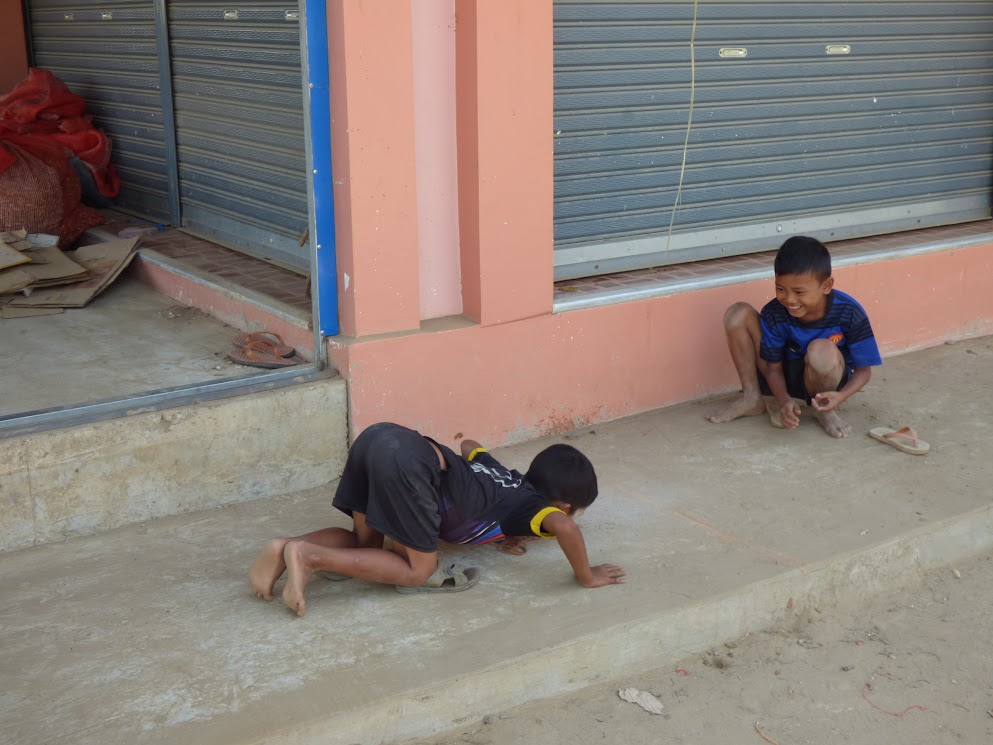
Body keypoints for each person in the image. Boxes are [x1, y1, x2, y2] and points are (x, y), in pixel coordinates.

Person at [249, 422, 626, 616]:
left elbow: (469, 446)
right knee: (419, 570)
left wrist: (501, 530)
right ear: (561, 505)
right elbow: (563, 528)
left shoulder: (502, 475)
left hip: (381, 438)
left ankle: (284, 547)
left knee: (366, 543)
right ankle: (308, 557)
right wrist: (586, 575)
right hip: (413, 465)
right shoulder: (539, 510)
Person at [706, 235, 882, 438]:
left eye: (799, 291)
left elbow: (864, 371)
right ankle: (752, 398)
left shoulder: (850, 312)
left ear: (826, 285)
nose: (789, 299)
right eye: (780, 289)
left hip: (823, 375)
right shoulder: (775, 312)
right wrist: (783, 400)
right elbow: (772, 368)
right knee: (738, 313)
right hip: (781, 375)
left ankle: (823, 409)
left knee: (821, 349)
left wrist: (841, 396)